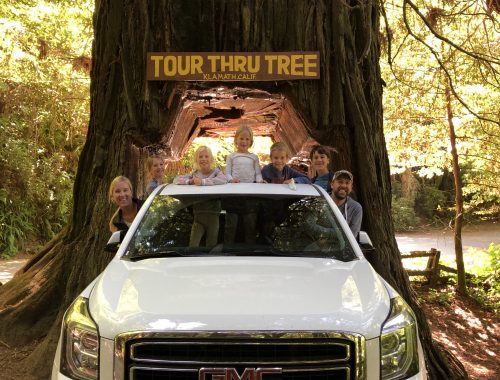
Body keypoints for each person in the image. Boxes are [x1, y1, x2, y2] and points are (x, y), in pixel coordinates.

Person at [173, 146, 227, 247]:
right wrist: (189, 181)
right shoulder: (194, 174)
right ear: (196, 159)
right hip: (198, 217)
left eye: (206, 156)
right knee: (193, 245)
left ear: (211, 159)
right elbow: (176, 180)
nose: (203, 159)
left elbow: (223, 180)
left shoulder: (216, 172)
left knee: (211, 245)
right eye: (200, 156)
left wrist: (202, 182)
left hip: (213, 216)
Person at [224, 125, 262, 243]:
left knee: (250, 225)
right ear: (236, 140)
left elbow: (258, 174)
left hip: (249, 196)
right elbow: (227, 173)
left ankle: (249, 250)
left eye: (247, 139)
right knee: (231, 225)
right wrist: (231, 180)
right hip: (234, 195)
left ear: (251, 141)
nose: (244, 141)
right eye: (241, 138)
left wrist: (260, 181)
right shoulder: (231, 156)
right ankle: (227, 248)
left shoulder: (254, 157)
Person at [330, 170, 362, 239]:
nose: (344, 185)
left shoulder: (355, 208)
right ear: (332, 184)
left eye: (347, 183)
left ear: (351, 187)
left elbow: (352, 237)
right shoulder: (321, 202)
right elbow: (312, 228)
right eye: (340, 182)